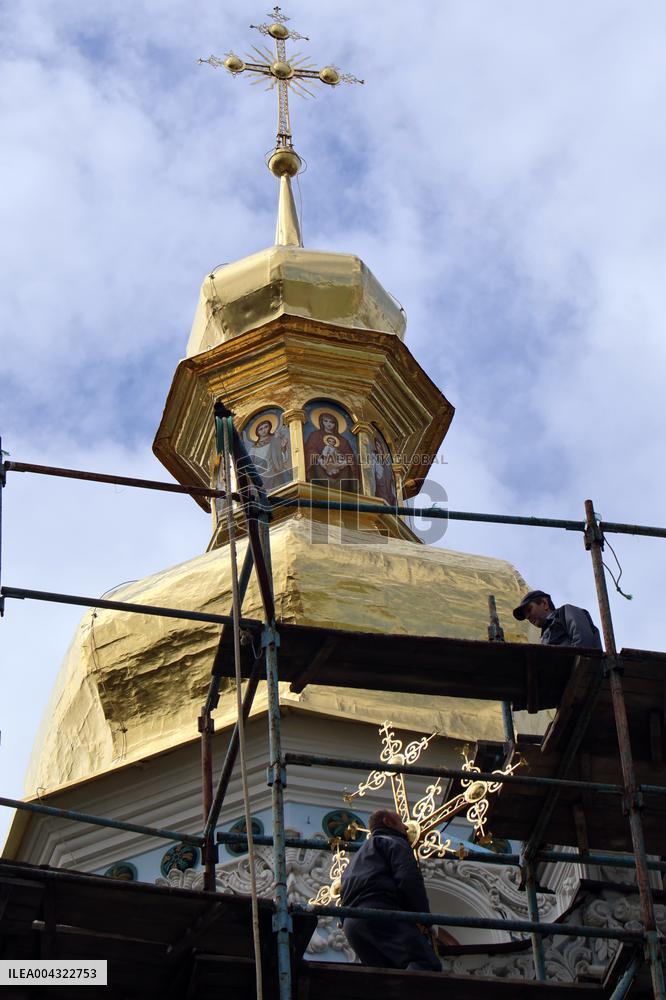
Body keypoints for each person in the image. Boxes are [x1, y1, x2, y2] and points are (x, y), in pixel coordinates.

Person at [340, 809, 441, 972]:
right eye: (401, 822)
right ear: (388, 822)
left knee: (385, 978)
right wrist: (425, 919)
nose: (407, 828)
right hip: (378, 914)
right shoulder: (393, 842)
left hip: (352, 926)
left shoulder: (357, 858)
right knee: (425, 964)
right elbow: (408, 880)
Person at [512, 590, 602, 648]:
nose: (528, 617)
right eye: (526, 616)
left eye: (529, 609)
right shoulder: (543, 639)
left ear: (544, 603)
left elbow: (584, 641)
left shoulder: (565, 612)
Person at [304, 411, 361, 491]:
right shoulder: (315, 436)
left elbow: (349, 456)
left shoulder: (343, 440)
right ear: (321, 422)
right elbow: (310, 450)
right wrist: (320, 460)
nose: (328, 424)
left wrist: (343, 463)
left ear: (335, 424)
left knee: (348, 467)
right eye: (326, 421)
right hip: (322, 466)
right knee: (315, 463)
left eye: (331, 422)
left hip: (339, 467)